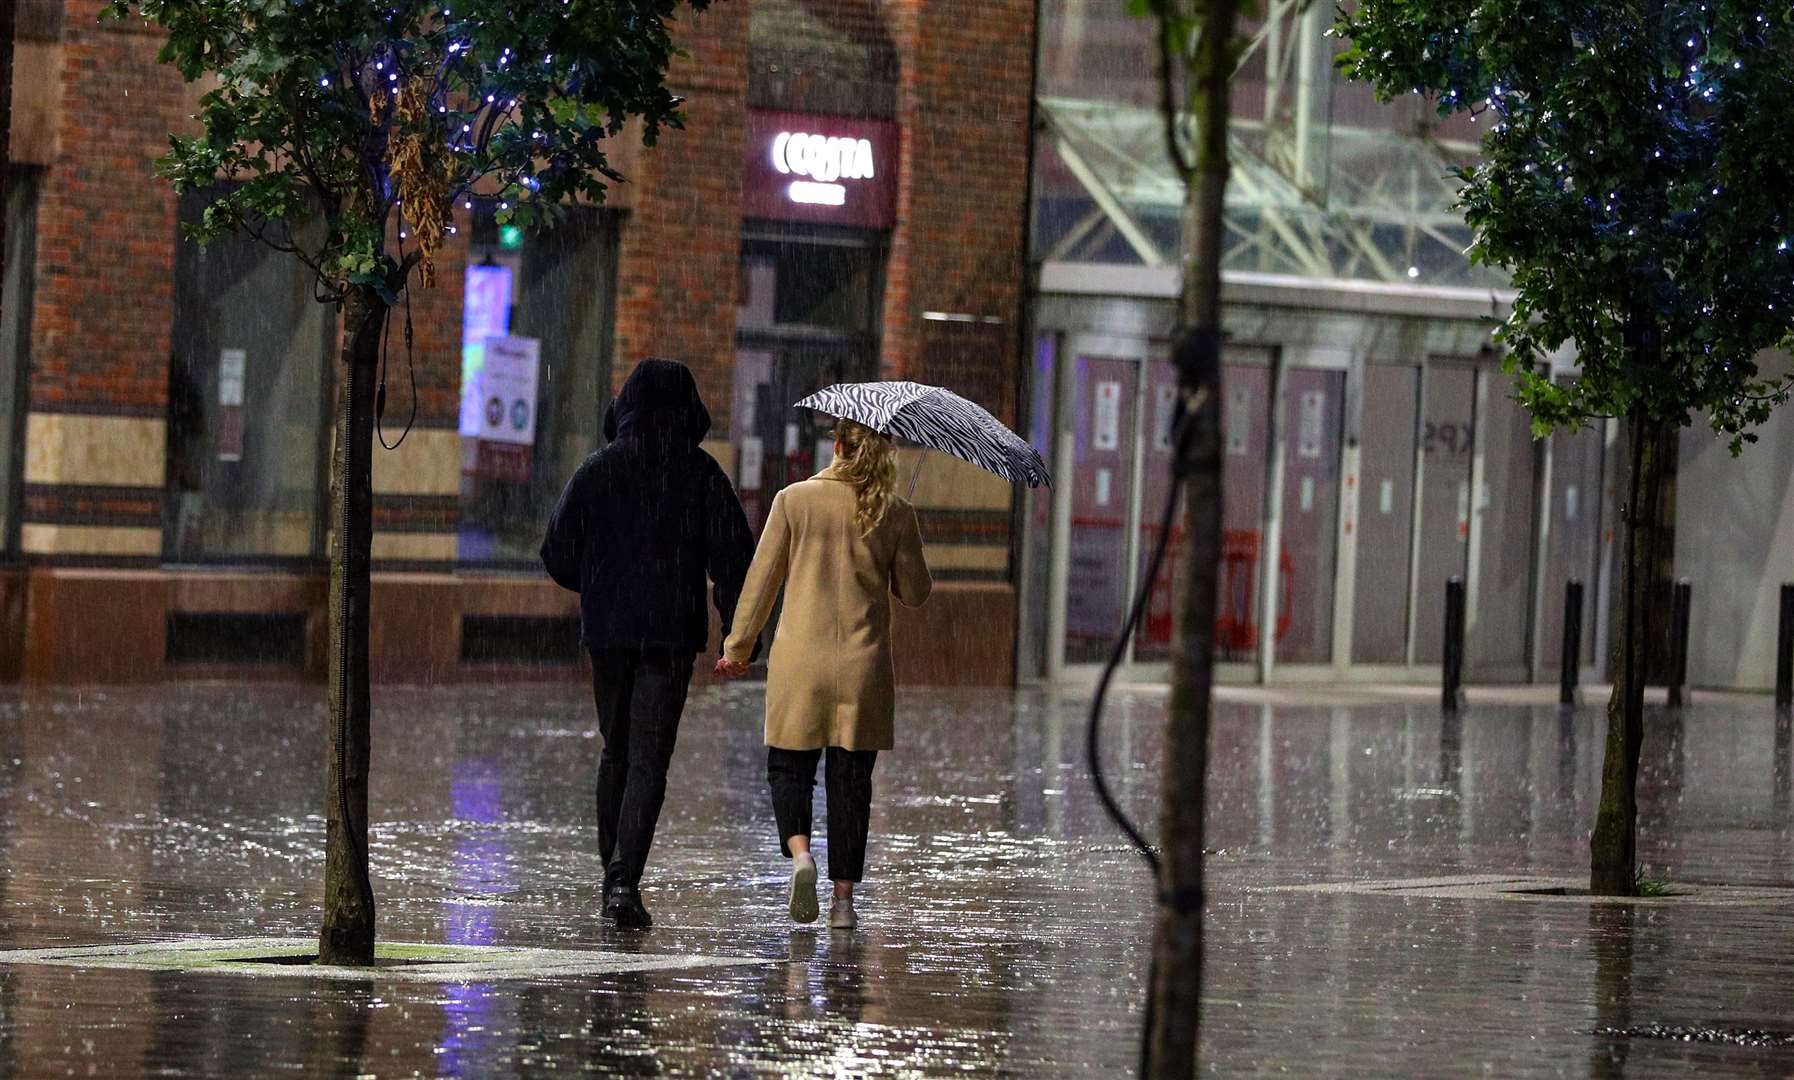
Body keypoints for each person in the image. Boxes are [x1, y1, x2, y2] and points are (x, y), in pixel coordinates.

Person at [542, 358, 755, 930]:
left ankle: (612, 875)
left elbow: (556, 551)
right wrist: (736, 629)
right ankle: (623, 880)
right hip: (668, 635)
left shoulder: (596, 471)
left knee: (617, 750)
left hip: (608, 634)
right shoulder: (701, 474)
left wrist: (601, 586)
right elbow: (734, 560)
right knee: (648, 759)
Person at [714, 419, 932, 930]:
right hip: (863, 666)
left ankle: (801, 857)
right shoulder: (893, 511)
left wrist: (738, 647)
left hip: (800, 662)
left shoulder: (793, 500)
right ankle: (843, 902)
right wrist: (902, 536)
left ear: (836, 446)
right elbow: (916, 592)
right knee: (851, 780)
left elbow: (762, 581)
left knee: (789, 768)